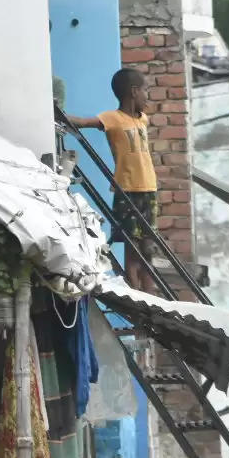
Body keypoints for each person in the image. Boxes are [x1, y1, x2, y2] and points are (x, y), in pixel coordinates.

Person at [66, 68, 158, 291]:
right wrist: (56, 114)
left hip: (149, 189)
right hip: (128, 191)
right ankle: (137, 294)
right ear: (134, 92)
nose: (148, 96)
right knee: (132, 247)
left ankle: (152, 294)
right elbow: (82, 122)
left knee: (149, 246)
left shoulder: (143, 120)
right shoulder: (112, 119)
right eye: (146, 90)